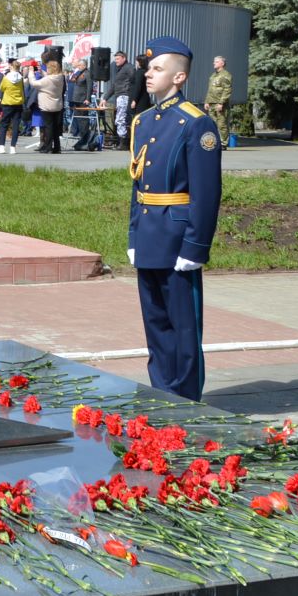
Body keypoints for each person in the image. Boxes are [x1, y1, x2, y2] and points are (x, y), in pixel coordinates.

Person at [127, 37, 223, 402]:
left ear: (179, 77)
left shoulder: (196, 124)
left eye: (157, 68)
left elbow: (206, 192)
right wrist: (134, 236)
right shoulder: (145, 120)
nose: (148, 74)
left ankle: (185, 399)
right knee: (155, 323)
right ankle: (161, 392)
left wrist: (196, 246)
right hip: (150, 234)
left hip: (178, 237)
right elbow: (138, 186)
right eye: (148, 68)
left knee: (183, 327)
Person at [0, 59, 25, 154]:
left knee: (4, 125)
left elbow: (1, 88)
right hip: (18, 103)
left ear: (11, 67)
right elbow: (22, 89)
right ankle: (13, 147)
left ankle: (1, 146)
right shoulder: (21, 78)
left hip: (7, 103)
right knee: (15, 126)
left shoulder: (6, 78)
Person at [106, 51, 133, 149]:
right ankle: (122, 141)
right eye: (115, 59)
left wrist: (131, 94)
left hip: (124, 96)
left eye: (117, 59)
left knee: (120, 119)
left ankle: (123, 143)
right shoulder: (121, 69)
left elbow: (134, 80)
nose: (115, 61)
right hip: (120, 96)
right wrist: (105, 98)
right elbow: (114, 86)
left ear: (124, 58)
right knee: (121, 119)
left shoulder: (129, 67)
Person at [205, 55, 233, 147]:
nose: (214, 63)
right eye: (214, 61)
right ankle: (215, 142)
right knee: (213, 124)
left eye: (216, 61)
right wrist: (207, 101)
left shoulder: (226, 75)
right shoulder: (213, 75)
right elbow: (210, 90)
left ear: (222, 63)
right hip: (211, 103)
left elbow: (227, 90)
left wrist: (221, 103)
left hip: (220, 104)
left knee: (221, 125)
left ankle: (223, 143)